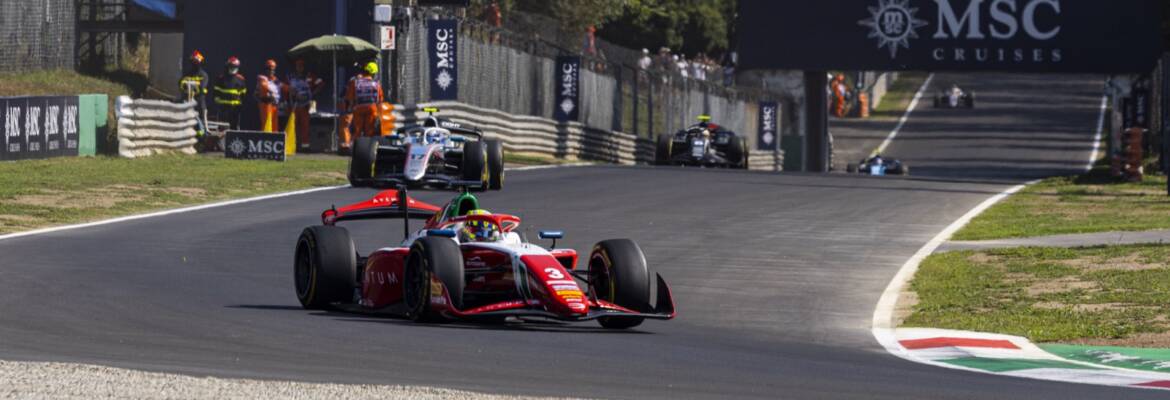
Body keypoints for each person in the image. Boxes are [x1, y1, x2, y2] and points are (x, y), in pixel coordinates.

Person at [285, 59, 324, 149]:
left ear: (304, 67)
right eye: (298, 66)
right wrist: (290, 93)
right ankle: (291, 144)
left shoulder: (309, 76)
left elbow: (321, 83)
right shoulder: (290, 77)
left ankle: (305, 146)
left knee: (305, 126)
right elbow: (284, 87)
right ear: (295, 67)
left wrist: (312, 94)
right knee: (292, 125)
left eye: (301, 66)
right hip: (293, 105)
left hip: (305, 105)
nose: (300, 68)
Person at [344, 62, 384, 139]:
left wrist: (349, 109)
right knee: (369, 131)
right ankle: (368, 144)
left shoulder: (355, 82)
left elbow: (349, 98)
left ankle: (356, 143)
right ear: (373, 73)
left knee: (357, 131)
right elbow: (380, 100)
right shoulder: (376, 84)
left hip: (358, 108)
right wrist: (380, 114)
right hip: (372, 109)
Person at [178, 51, 209, 135]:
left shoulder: (203, 75)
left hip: (199, 102)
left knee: (201, 120)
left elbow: (202, 87)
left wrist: (193, 86)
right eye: (193, 62)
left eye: (196, 62)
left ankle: (203, 135)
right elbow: (180, 83)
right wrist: (185, 86)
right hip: (188, 101)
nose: (195, 64)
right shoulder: (187, 74)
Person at [212, 57, 247, 130]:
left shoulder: (241, 79)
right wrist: (217, 100)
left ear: (238, 67)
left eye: (234, 67)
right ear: (227, 67)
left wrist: (240, 103)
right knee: (222, 127)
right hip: (223, 108)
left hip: (235, 108)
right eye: (231, 66)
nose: (233, 68)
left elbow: (243, 93)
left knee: (234, 127)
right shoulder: (221, 78)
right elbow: (216, 92)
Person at [255, 59, 281, 132]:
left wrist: (292, 89)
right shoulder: (262, 79)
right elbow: (257, 93)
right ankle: (265, 137)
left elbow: (283, 87)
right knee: (266, 125)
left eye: (272, 70)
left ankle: (275, 137)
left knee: (275, 126)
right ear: (266, 70)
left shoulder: (276, 80)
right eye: (269, 69)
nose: (271, 71)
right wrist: (267, 95)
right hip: (266, 104)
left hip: (275, 105)